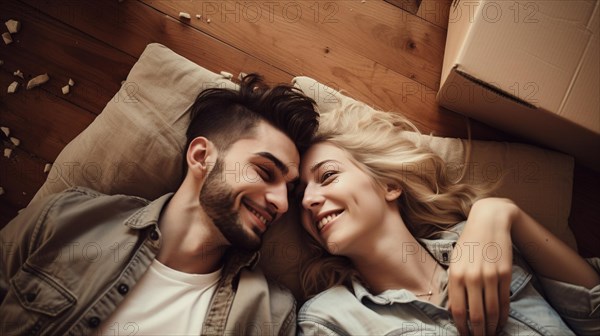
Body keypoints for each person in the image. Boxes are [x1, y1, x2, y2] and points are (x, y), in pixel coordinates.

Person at [0, 74, 319, 335]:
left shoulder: (270, 317)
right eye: (265, 171)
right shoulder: (66, 218)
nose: (282, 203)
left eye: (289, 190)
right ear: (201, 157)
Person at [295, 102, 600, 335]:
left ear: (389, 185)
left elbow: (594, 317)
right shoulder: (330, 318)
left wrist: (502, 211)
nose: (308, 200)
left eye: (328, 175)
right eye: (300, 195)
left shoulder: (485, 235)